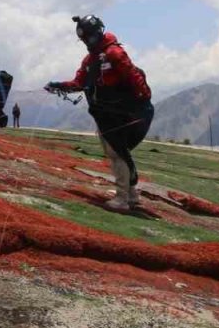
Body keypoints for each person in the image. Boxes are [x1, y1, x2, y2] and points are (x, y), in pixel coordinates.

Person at [47, 15, 154, 212]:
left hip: (124, 114)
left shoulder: (114, 54)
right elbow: (79, 83)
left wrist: (136, 107)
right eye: (85, 38)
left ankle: (123, 199)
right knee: (116, 152)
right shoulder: (90, 61)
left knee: (117, 152)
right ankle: (131, 194)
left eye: (90, 37)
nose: (88, 41)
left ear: (98, 33)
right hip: (106, 114)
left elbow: (135, 79)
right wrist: (59, 86)